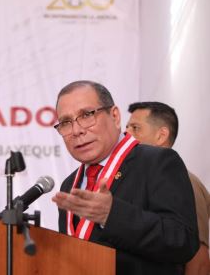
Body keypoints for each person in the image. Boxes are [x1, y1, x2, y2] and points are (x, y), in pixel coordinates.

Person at [51, 80, 199, 275]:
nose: (77, 130)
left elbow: (183, 241)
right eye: (65, 122)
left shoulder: (158, 162)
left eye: (86, 115)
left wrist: (111, 215)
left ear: (115, 116)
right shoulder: (69, 184)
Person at [126, 101, 210, 275]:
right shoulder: (141, 179)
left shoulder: (185, 182)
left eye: (135, 128)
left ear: (161, 136)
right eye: (126, 127)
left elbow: (199, 261)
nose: (126, 133)